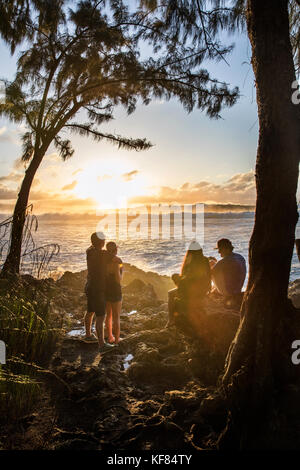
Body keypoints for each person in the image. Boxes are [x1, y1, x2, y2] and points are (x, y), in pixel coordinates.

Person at [166, 241, 211, 328]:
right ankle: (181, 293)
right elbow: (207, 276)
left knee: (170, 294)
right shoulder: (205, 260)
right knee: (178, 279)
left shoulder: (191, 261)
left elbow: (189, 279)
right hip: (203, 290)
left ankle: (171, 320)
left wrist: (179, 279)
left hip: (192, 292)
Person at [84, 231, 114, 353]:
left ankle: (88, 335)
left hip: (90, 286)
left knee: (90, 311)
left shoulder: (89, 251)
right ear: (101, 242)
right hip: (98, 289)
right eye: (104, 240)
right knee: (101, 316)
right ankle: (101, 345)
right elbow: (117, 259)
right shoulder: (103, 254)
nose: (105, 241)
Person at [210, 238, 246, 308]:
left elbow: (210, 273)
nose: (219, 252)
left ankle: (210, 291)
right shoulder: (240, 257)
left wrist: (207, 263)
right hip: (238, 289)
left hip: (228, 292)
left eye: (220, 249)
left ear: (226, 249)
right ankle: (215, 290)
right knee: (216, 266)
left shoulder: (224, 261)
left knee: (211, 265)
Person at [104, 241, 123, 345]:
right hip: (115, 290)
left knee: (108, 315)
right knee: (116, 317)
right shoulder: (116, 263)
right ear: (116, 250)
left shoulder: (104, 262)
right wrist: (121, 268)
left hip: (106, 290)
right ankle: (116, 340)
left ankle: (109, 336)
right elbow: (118, 280)